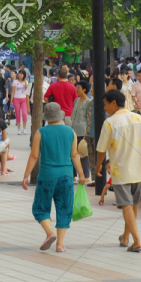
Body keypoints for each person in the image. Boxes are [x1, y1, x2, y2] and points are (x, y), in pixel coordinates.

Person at [95, 90, 141, 252]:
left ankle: (136, 241)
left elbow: (102, 149)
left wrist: (98, 165)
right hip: (138, 170)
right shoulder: (138, 118)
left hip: (121, 171)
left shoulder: (110, 122)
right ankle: (126, 237)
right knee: (133, 204)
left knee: (127, 206)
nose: (104, 107)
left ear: (114, 103)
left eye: (106, 103)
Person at [22, 102, 87, 253]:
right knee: (64, 208)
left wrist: (26, 175)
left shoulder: (41, 132)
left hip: (47, 175)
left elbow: (34, 156)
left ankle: (49, 233)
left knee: (40, 207)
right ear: (60, 116)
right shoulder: (71, 132)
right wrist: (82, 175)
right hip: (66, 176)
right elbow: (75, 155)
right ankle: (60, 244)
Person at [70, 80, 94, 179]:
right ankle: (73, 174)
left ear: (84, 89)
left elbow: (89, 117)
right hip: (73, 129)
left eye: (79, 87)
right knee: (73, 152)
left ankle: (86, 175)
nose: (77, 89)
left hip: (83, 131)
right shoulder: (76, 100)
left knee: (83, 152)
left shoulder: (88, 102)